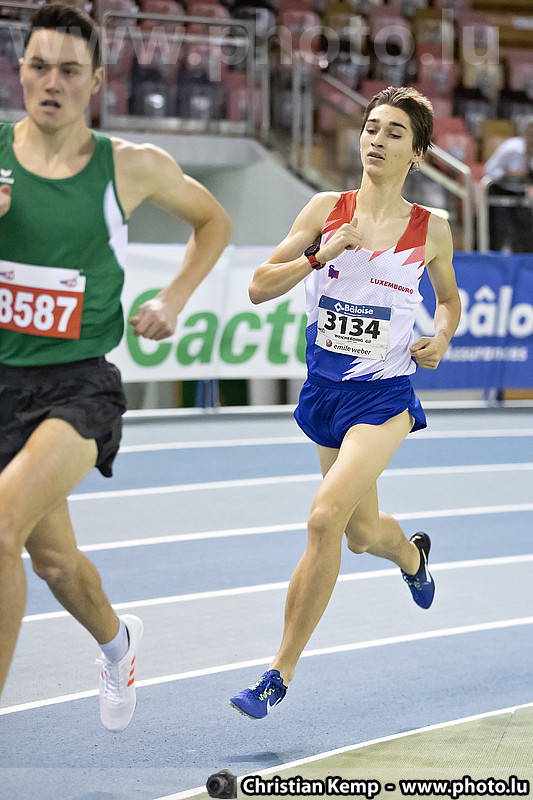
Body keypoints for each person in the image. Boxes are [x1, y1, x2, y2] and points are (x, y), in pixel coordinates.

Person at [0, 2, 232, 732]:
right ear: (19, 71)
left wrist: (174, 297)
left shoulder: (129, 166)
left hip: (78, 386)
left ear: (97, 81)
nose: (52, 82)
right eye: (40, 66)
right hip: (3, 381)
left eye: (70, 70)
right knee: (54, 564)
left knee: (0, 524)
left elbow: (214, 221)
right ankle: (117, 642)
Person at [230, 86, 461, 719]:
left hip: (383, 397)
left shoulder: (431, 229)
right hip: (325, 392)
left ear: (417, 153)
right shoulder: (325, 209)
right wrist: (320, 255)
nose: (377, 140)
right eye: (371, 128)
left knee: (323, 517)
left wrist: (441, 337)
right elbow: (258, 287)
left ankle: (277, 673)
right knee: (360, 535)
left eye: (394, 132)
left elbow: (448, 300)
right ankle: (412, 556)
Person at [484, 118, 533, 252]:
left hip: (520, 194)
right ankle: (493, 256)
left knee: (525, 232)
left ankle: (525, 259)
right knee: (498, 231)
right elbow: (489, 169)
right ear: (524, 134)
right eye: (530, 134)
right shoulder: (510, 148)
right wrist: (509, 174)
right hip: (499, 192)